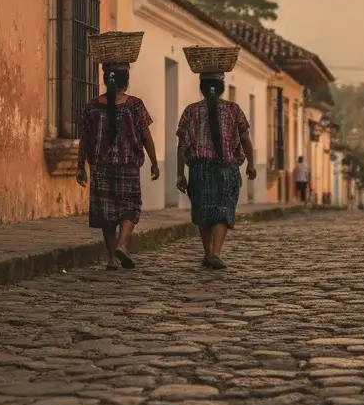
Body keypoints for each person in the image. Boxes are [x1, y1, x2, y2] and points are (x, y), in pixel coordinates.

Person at [76, 32, 159, 270]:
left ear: (105, 79)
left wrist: (80, 166)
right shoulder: (135, 105)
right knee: (129, 208)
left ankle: (111, 258)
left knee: (107, 212)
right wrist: (154, 162)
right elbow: (146, 136)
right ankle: (123, 245)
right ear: (126, 80)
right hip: (128, 165)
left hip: (101, 166)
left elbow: (85, 139)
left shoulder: (92, 106)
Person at [176, 47, 256, 270]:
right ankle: (217, 252)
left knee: (203, 211)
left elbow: (181, 144)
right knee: (223, 210)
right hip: (226, 168)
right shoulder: (234, 110)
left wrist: (180, 174)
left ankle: (208, 252)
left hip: (199, 169)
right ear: (221, 87)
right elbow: (246, 139)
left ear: (202, 88)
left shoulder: (190, 111)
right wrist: (251, 164)